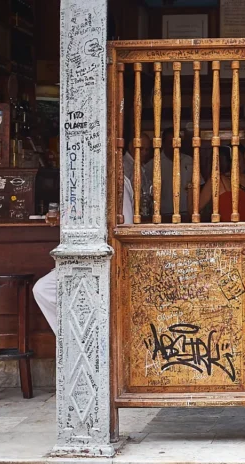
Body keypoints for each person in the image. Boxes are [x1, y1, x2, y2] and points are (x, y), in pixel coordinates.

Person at [33, 176, 134, 334]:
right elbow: (80, 213)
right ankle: (76, 339)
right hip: (82, 256)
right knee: (43, 290)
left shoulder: (117, 180)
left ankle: (86, 340)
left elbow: (125, 225)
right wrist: (63, 217)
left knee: (47, 290)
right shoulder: (82, 177)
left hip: (109, 258)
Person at [141, 127, 194, 218]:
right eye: (170, 143)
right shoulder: (153, 165)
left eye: (176, 142)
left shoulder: (189, 161)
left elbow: (199, 185)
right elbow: (146, 193)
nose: (174, 146)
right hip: (163, 215)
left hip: (187, 213)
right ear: (163, 143)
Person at [197, 146, 245, 222]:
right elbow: (195, 210)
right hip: (230, 227)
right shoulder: (217, 180)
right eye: (234, 159)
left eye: (239, 159)